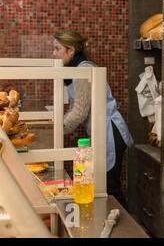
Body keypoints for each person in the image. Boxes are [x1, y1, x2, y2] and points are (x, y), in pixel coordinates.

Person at [52, 30, 133, 208]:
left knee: (110, 188)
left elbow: (79, 111)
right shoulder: (78, 69)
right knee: (103, 186)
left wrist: (56, 129)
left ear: (70, 50)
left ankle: (127, 230)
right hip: (103, 131)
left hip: (110, 132)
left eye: (57, 49)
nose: (54, 53)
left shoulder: (84, 71)